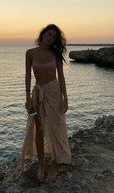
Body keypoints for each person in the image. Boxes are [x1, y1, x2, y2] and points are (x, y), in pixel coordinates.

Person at [20, 24, 71, 183]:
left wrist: (65, 98)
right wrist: (28, 97)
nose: (51, 38)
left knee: (56, 128)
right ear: (42, 34)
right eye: (49, 34)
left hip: (54, 93)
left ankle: (55, 165)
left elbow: (61, 77)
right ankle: (42, 166)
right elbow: (28, 76)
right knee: (39, 130)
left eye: (54, 37)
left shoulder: (55, 54)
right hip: (37, 94)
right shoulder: (30, 53)